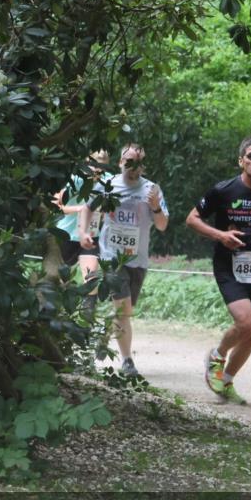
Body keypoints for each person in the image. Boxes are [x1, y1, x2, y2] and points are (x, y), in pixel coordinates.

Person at [186, 136, 251, 405]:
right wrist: (220, 235)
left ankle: (226, 381)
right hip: (229, 264)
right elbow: (192, 219)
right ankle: (217, 354)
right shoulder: (223, 190)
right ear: (241, 161)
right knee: (245, 322)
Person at [79, 143, 168, 377]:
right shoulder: (107, 186)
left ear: (143, 165)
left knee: (124, 312)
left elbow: (162, 226)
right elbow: (87, 208)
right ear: (120, 162)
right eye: (128, 161)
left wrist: (156, 207)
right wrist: (84, 231)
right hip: (111, 258)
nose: (133, 167)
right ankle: (128, 362)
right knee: (123, 309)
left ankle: (104, 337)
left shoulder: (151, 190)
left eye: (138, 162)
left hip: (137, 261)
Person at [52, 149, 111, 283]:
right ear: (87, 163)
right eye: (94, 165)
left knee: (91, 278)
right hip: (67, 235)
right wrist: (79, 209)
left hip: (91, 236)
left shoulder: (109, 180)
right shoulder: (76, 180)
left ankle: (88, 303)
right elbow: (55, 205)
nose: (97, 170)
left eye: (102, 167)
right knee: (60, 281)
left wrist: (104, 213)